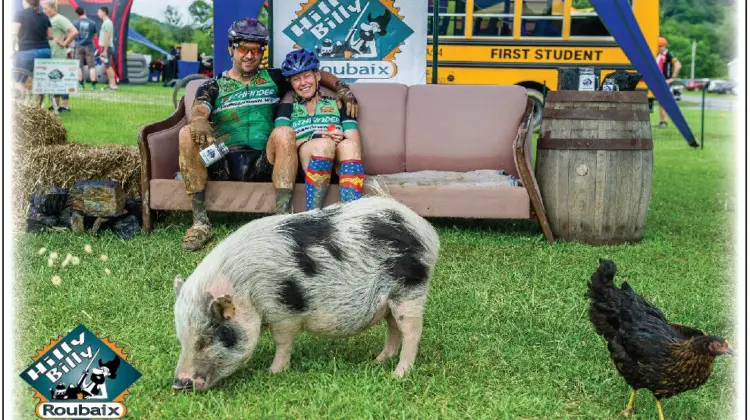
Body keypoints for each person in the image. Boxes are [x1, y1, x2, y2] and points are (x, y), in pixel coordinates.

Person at [178, 18, 358, 252]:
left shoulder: (273, 78)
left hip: (264, 159)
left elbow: (312, 73)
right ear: (230, 49)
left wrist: (342, 88)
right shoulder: (214, 85)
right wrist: (199, 119)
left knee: (283, 132)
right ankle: (200, 221)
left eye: (257, 50)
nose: (250, 56)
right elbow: (200, 107)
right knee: (185, 133)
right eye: (244, 49)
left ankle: (281, 220)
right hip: (221, 157)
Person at [275, 49, 364, 211]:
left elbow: (355, 144)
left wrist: (341, 138)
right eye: (296, 79)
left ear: (317, 76)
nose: (302, 83)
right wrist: (315, 137)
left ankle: (351, 215)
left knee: (349, 146)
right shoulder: (287, 106)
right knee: (323, 145)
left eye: (307, 76)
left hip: (339, 165)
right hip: (306, 165)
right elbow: (281, 144)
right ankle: (313, 215)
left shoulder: (336, 103)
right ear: (291, 82)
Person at [12, 0, 53, 97]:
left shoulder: (20, 13)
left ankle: (21, 108)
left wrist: (12, 50)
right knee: (39, 81)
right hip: (45, 51)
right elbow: (51, 36)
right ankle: (38, 108)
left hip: (26, 51)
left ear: (26, 2)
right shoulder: (44, 16)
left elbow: (13, 33)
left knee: (19, 81)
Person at [43, 0, 78, 111]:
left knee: (60, 80)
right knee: (54, 80)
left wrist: (64, 43)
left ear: (53, 8)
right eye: (43, 9)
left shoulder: (60, 19)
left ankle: (64, 105)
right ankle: (55, 105)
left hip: (58, 53)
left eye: (46, 8)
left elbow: (74, 32)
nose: (44, 11)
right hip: (51, 53)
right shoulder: (50, 19)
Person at [656, 36, 681, 129]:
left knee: (663, 101)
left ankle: (664, 122)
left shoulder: (668, 55)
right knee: (661, 101)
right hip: (659, 81)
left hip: (665, 81)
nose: (659, 48)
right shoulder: (657, 55)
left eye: (660, 46)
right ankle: (662, 121)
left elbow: (678, 65)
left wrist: (672, 78)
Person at [73, 7, 98, 89]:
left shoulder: (75, 23)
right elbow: (94, 36)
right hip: (89, 46)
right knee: (92, 66)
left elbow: (73, 34)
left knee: (79, 66)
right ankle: (93, 85)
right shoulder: (92, 23)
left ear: (77, 14)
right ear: (84, 11)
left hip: (78, 46)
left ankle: (81, 85)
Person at [97, 7, 117, 90]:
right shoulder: (105, 22)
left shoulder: (108, 23)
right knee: (107, 66)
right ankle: (111, 85)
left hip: (107, 47)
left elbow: (107, 37)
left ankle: (113, 85)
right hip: (105, 47)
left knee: (108, 66)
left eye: (99, 11)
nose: (98, 13)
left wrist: (105, 50)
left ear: (104, 12)